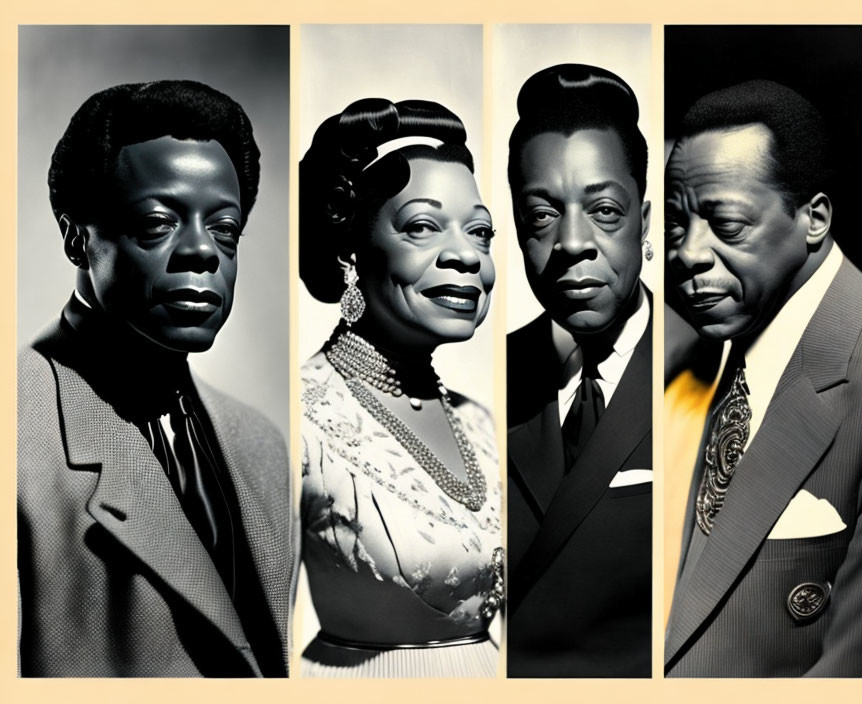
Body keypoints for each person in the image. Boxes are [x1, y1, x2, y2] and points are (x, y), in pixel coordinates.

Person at [17, 80, 291, 677]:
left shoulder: (262, 446)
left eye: (226, 229)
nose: (203, 253)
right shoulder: (17, 435)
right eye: (158, 222)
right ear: (76, 237)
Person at [664, 80, 862, 677]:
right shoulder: (726, 342)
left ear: (815, 219)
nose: (689, 253)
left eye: (726, 224)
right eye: (678, 226)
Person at [298, 98, 503, 677]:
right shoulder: (300, 420)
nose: (466, 255)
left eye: (481, 231)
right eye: (422, 226)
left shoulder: (482, 424)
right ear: (351, 250)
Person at [506, 64, 652, 678]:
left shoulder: (716, 369)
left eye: (605, 211)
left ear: (646, 219)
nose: (571, 242)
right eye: (541, 215)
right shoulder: (483, 382)